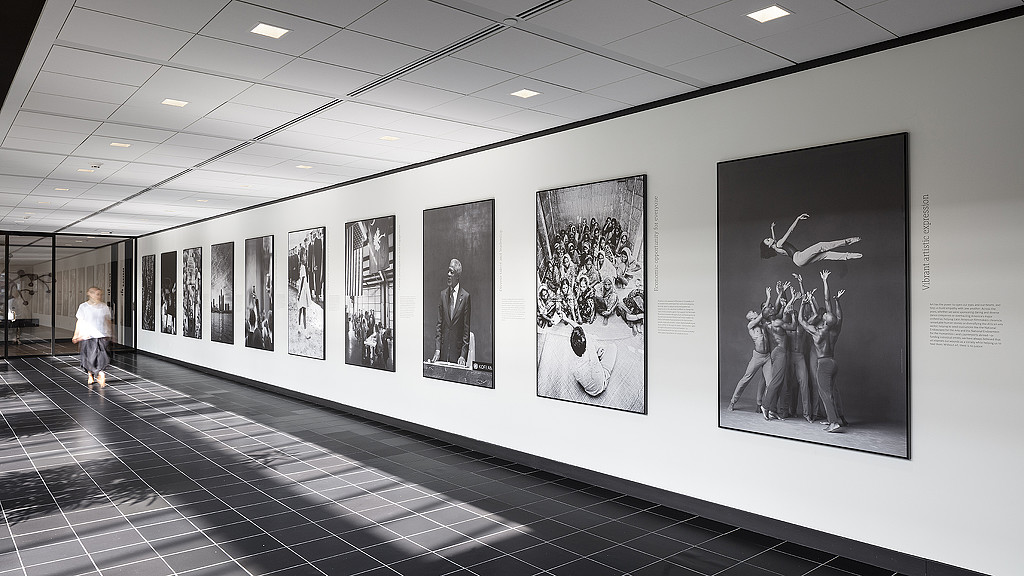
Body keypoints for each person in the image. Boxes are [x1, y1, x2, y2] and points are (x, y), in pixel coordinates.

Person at [798, 270, 846, 432]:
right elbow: (836, 311)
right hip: (833, 362)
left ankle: (834, 423)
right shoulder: (835, 329)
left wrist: (803, 304)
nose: (825, 312)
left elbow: (801, 321)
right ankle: (837, 418)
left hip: (824, 364)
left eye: (825, 314)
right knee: (831, 392)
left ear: (825, 320)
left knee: (825, 393)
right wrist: (837, 301)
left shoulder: (817, 333)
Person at [729, 287, 772, 412]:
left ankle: (764, 407)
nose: (755, 312)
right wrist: (768, 297)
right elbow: (763, 313)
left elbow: (765, 313)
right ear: (750, 317)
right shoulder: (751, 325)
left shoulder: (762, 323)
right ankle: (732, 402)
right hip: (757, 356)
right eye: (753, 312)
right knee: (746, 379)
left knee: (770, 383)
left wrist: (769, 298)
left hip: (767, 356)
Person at [761, 213, 862, 266]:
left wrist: (772, 229)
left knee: (825, 255)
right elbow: (789, 231)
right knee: (821, 245)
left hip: (798, 262)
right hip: (799, 257)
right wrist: (797, 219)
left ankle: (848, 256)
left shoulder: (776, 247)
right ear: (769, 245)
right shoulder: (779, 244)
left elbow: (774, 239)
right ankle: (847, 241)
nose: (769, 238)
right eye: (768, 240)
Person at [431, 258, 471, 366]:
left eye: (451, 272)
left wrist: (463, 355)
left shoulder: (465, 297)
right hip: (442, 353)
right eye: (448, 271)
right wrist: (437, 349)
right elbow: (439, 325)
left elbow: (466, 330)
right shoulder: (443, 295)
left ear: (457, 276)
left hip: (457, 355)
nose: (448, 274)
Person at [72, 286, 112, 388]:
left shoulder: (104, 307)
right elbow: (80, 321)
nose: (99, 296)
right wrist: (76, 334)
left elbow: (107, 321)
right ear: (90, 294)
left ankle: (100, 373)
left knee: (102, 357)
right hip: (88, 336)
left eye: (100, 294)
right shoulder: (83, 307)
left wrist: (110, 333)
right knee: (89, 358)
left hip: (102, 336)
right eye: (97, 294)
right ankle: (91, 374)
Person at [568, 323, 617, 397]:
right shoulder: (590, 348)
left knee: (598, 353)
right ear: (585, 344)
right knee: (612, 347)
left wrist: (565, 318)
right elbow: (579, 327)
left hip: (589, 390)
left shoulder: (572, 365)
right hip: (602, 384)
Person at [296, 252, 311, 340]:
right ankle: (305, 332)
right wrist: (299, 293)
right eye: (304, 255)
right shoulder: (303, 267)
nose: (306, 257)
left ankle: (299, 328)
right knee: (304, 311)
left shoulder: (301, 267)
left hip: (301, 290)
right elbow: (302, 280)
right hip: (303, 291)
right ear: (302, 257)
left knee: (300, 310)